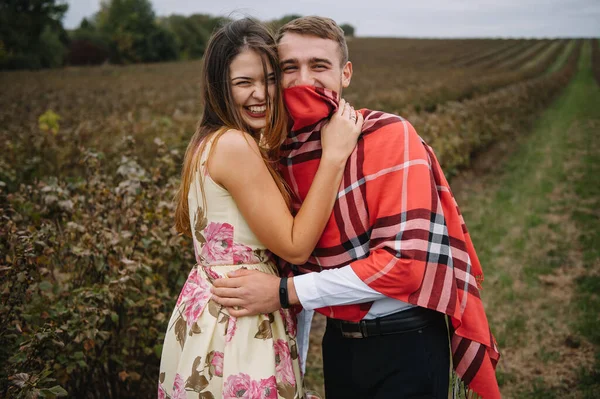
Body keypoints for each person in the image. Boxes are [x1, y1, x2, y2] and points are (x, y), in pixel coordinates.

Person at [211, 16, 501, 399]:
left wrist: (284, 292)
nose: (303, 81)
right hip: (339, 344)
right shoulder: (279, 156)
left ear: (345, 73)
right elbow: (291, 261)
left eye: (319, 66)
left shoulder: (391, 135)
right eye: (288, 69)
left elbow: (404, 266)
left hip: (407, 341)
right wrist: (292, 375)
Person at [158, 18, 363, 399]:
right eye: (243, 83)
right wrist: (334, 156)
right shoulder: (235, 146)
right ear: (219, 89)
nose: (261, 94)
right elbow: (295, 244)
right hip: (241, 320)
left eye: (270, 79)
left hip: (215, 310)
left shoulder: (209, 141)